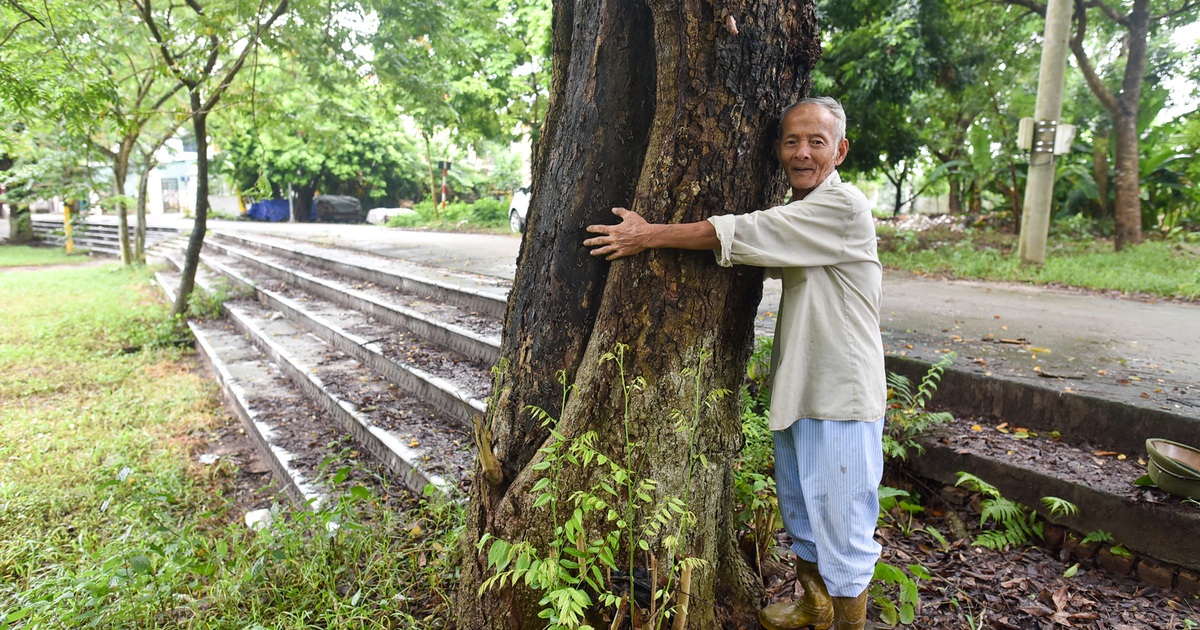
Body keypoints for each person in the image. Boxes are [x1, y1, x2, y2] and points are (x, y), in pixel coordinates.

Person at [584, 97, 885, 630]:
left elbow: (744, 232)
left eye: (817, 141)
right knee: (801, 507)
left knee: (844, 522)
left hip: (842, 393)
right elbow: (759, 243)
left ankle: (846, 623)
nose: (802, 152)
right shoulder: (802, 214)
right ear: (777, 149)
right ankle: (815, 608)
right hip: (802, 385)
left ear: (840, 150)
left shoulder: (843, 207)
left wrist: (648, 234)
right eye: (791, 140)